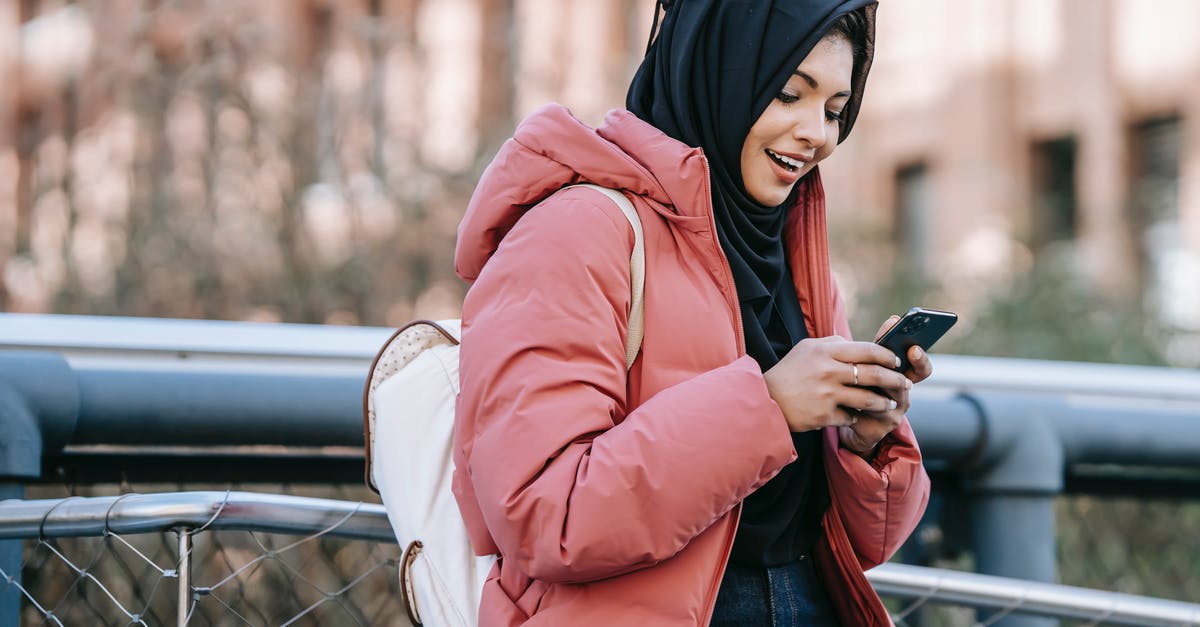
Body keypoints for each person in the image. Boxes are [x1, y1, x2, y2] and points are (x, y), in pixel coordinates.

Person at [451, 1, 931, 625]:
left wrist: (861, 441)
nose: (819, 133)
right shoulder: (577, 230)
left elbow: (865, 544)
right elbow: (544, 514)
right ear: (720, 72)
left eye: (836, 110)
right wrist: (769, 408)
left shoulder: (789, 246)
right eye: (789, 93)